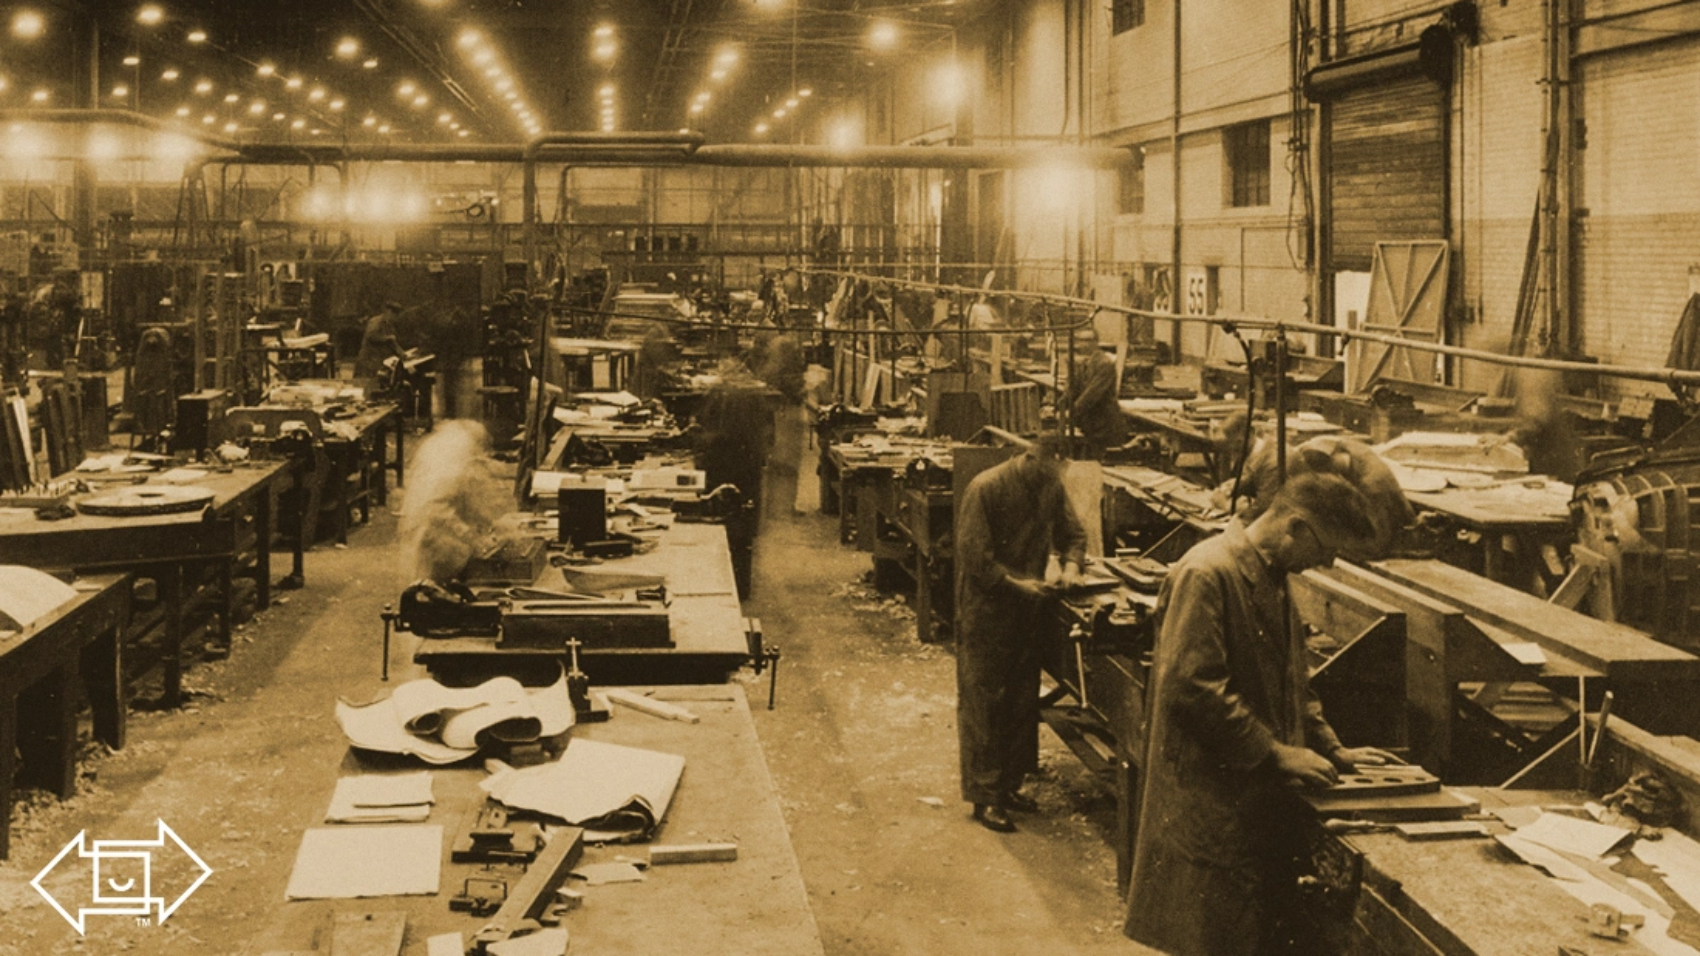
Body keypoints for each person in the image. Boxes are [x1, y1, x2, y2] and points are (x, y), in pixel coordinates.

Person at [1123, 472, 1403, 956]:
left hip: (1249, 803)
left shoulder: (1273, 578)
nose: (1327, 563)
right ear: (1295, 526)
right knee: (1211, 936)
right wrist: (1275, 753)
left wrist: (1330, 746)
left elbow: (1294, 680)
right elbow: (1192, 688)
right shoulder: (1207, 572)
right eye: (1327, 548)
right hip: (1210, 801)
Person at [955, 433, 1087, 833]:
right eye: (1049, 469)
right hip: (987, 610)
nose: (1053, 478)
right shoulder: (986, 488)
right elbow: (976, 558)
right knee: (985, 701)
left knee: (1019, 699)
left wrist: (1071, 566)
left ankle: (1009, 786)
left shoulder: (1049, 483)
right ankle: (985, 797)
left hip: (1026, 611)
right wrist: (1020, 586)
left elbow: (1074, 534)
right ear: (1030, 458)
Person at [1064, 326, 1128, 459]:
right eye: (1081, 340)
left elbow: (1091, 396)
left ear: (1096, 342)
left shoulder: (1104, 364)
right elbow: (1073, 389)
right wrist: (1059, 405)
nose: (1083, 344)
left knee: (1098, 462)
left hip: (1104, 425)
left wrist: (1071, 412)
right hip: (1092, 424)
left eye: (1088, 340)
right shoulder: (1084, 363)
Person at [354, 301, 405, 384]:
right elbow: (370, 336)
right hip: (369, 360)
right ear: (389, 312)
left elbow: (393, 342)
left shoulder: (389, 325)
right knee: (364, 384)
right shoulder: (376, 321)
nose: (395, 318)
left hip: (378, 362)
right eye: (395, 315)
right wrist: (387, 338)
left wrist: (401, 352)